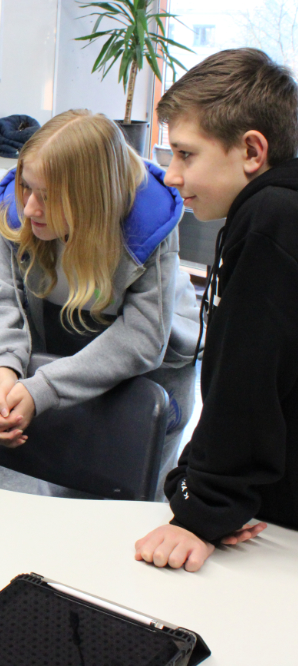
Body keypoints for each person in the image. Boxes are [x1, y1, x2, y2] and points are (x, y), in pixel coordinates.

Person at [0, 109, 201, 490]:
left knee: (128, 513)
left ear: (92, 201)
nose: (29, 208)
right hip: (61, 363)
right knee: (60, 493)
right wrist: (6, 377)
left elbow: (141, 341)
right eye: (28, 189)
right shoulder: (20, 207)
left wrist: (41, 388)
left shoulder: (149, 225)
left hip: (150, 383)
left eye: (47, 197)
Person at [135, 48, 298, 572]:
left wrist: (202, 514)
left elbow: (249, 377)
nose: (171, 174)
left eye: (185, 154)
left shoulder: (271, 215)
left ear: (251, 150)